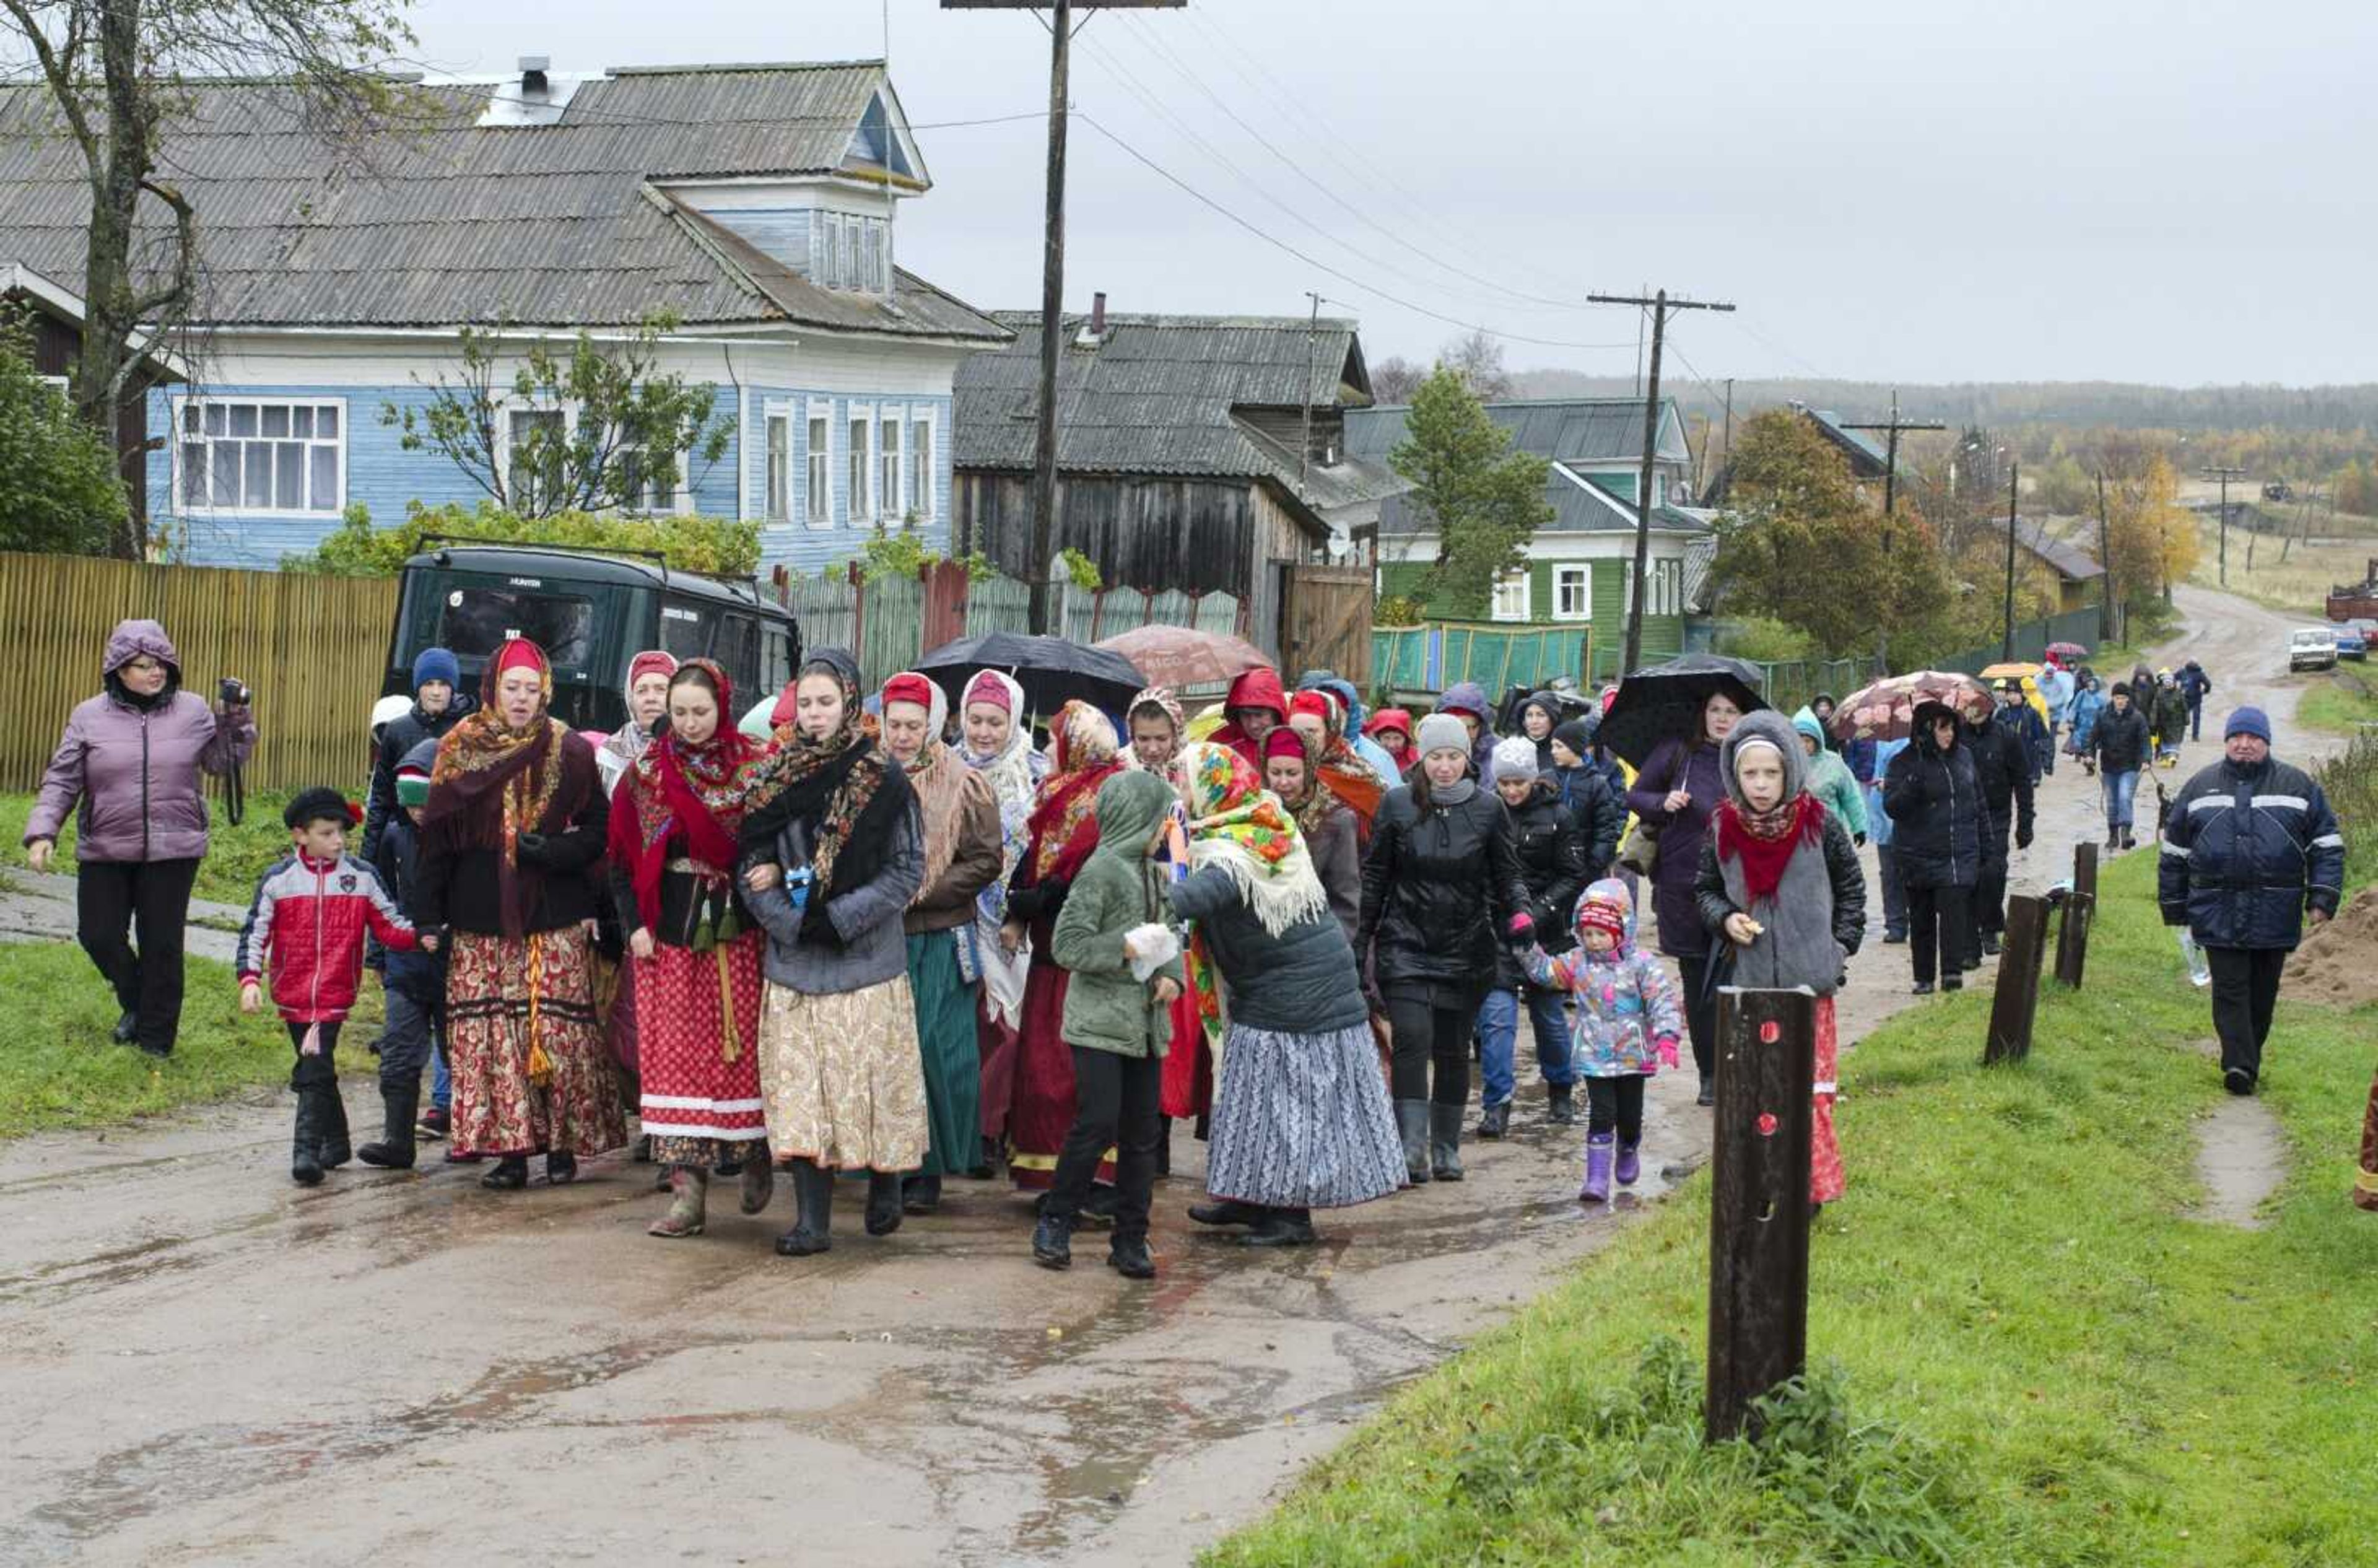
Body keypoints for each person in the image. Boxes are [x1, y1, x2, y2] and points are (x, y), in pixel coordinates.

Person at [1171, 743, 1404, 1247]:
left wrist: (1132, 889)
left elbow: (1191, 897)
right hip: (1278, 991)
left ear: (1214, 788)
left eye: (1185, 781)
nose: (1179, 789)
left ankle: (1289, 1217)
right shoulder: (1257, 823)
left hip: (1299, 998)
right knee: (1249, 1098)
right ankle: (1250, 1199)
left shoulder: (1233, 852)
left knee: (1285, 1106)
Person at [740, 648, 928, 1257]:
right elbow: (748, 866)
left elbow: (906, 871)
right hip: (795, 963)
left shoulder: (883, 778)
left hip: (865, 961)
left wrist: (838, 919)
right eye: (808, 704)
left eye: (828, 702)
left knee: (870, 1085)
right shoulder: (774, 779)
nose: (816, 714)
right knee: (802, 1094)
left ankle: (886, 1183)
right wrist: (793, 923)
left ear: (851, 701)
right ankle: (812, 1222)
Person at [417, 637, 621, 1190]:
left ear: (547, 691)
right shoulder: (459, 747)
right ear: (493, 689)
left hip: (553, 913)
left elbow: (602, 834)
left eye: (533, 690)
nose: (523, 699)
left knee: (555, 1036)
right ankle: (509, 1152)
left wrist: (552, 852)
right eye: (513, 688)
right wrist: (428, 918)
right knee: (496, 1038)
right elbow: (436, 840)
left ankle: (563, 1146)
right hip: (480, 917)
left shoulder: (570, 749)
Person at [24, 619, 256, 1058]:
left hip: (174, 847)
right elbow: (62, 778)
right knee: (98, 934)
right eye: (144, 665)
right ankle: (136, 1003)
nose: (156, 672)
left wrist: (236, 719)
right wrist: (42, 832)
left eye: (162, 664)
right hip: (106, 846)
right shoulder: (89, 715)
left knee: (162, 945)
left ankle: (155, 1042)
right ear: (119, 670)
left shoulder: (192, 710)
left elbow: (221, 763)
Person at [605, 659, 773, 1239]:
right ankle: (688, 1193)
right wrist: (634, 925)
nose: (690, 722)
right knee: (675, 1060)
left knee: (739, 1051)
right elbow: (622, 862)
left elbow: (776, 840)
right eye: (680, 713)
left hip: (738, 934)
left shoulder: (754, 767)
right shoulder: (647, 772)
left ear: (723, 707)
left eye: (701, 712)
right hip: (670, 937)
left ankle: (754, 1155)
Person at [1694, 710, 1864, 1208]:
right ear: (1735, 775)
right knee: (1760, 1090)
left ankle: (1807, 1191)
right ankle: (1764, 1182)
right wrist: (1725, 918)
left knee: (1810, 1092)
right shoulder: (1723, 828)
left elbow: (1852, 891)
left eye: (1772, 773)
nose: (1762, 784)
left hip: (1810, 985)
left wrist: (1837, 950)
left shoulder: (1820, 824)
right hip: (1750, 984)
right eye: (1751, 774)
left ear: (1790, 769)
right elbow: (1704, 890)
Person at [1356, 712, 1529, 1183]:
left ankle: (1446, 1147)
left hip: (1466, 947)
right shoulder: (1396, 805)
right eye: (1436, 757)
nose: (1445, 767)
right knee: (1412, 1039)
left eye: (1454, 757)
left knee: (1453, 1049)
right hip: (1405, 942)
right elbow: (1375, 877)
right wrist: (1361, 941)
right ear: (1422, 759)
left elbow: (1507, 873)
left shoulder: (1489, 810)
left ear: (1467, 758)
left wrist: (1520, 914)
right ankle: (1410, 1150)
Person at [1031, 770, 1183, 1279]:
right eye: (1161, 819)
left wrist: (1171, 979)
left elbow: (1168, 936)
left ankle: (1131, 1237)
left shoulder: (1153, 872)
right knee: (1097, 1122)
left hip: (1143, 1023)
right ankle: (1056, 1220)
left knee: (1142, 1133)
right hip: (1099, 1022)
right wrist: (1122, 946)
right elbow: (1068, 946)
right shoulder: (1100, 872)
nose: (1167, 830)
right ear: (1136, 819)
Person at [237, 788, 422, 1185]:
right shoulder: (279, 880)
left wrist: (422, 935)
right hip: (293, 992)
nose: (337, 841)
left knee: (314, 1064)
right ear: (300, 835)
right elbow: (255, 932)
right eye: (327, 833)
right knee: (317, 1067)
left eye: (341, 833)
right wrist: (250, 979)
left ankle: (305, 1152)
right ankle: (336, 1143)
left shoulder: (361, 877)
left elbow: (389, 924)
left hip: (335, 993)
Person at [2158, 707, 2344, 1097]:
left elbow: (2326, 846)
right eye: (2236, 738)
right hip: (2216, 907)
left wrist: (2323, 898)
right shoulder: (2200, 787)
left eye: (2253, 738)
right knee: (2229, 988)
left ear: (2266, 743)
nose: (2244, 745)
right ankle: (2238, 1065)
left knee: (2262, 992)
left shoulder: (2298, 787)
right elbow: (2174, 852)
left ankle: (2248, 1059)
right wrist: (2175, 908)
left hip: (2276, 910)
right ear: (2226, 742)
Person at [881, 671, 1004, 1216]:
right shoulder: (869, 777)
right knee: (889, 1054)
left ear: (934, 724)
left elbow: (985, 859)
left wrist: (921, 891)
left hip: (938, 935)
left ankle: (930, 1167)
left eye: (914, 725)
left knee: (937, 1051)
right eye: (895, 725)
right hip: (881, 938)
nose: (904, 735)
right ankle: (890, 1162)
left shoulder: (964, 782)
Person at [999, 701, 1128, 1191]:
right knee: (1043, 1070)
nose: (1050, 748)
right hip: (1050, 954)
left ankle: (1092, 1177)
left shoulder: (1107, 796)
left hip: (1085, 959)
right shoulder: (1055, 792)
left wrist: (1046, 895)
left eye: (1057, 740)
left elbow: (1085, 868)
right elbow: (1035, 859)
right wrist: (1019, 907)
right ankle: (1049, 1172)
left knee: (1076, 1073)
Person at [1517, 879, 1682, 1203]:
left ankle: (1628, 1147)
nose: (1594, 941)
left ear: (1621, 931)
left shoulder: (1641, 965)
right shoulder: (1578, 962)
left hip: (1634, 1054)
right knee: (1602, 1114)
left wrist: (1667, 1036)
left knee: (1630, 1117)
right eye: (1588, 934)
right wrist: (1526, 944)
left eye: (1601, 934)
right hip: (1595, 1055)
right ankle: (1596, 1179)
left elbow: (1662, 999)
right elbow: (1546, 973)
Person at [1626, 688, 1743, 1105]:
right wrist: (1664, 801)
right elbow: (1635, 795)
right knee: (1698, 986)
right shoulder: (1677, 751)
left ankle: (1734, 1069)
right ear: (1702, 713)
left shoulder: (1749, 756)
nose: (1722, 718)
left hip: (1737, 884)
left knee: (1734, 981)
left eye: (1731, 711)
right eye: (1714, 709)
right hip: (1682, 883)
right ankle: (1709, 1075)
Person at [957, 669, 1049, 1171]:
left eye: (996, 721)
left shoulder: (1034, 775)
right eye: (976, 720)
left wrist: (1018, 914)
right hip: (957, 917)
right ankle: (972, 1131)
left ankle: (1001, 1130)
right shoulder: (948, 767)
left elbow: (1040, 852)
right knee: (972, 1030)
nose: (985, 732)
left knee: (1012, 1029)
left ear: (1013, 721)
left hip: (1014, 926)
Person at [1475, 736, 1587, 1136]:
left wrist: (1536, 914)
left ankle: (1560, 1086)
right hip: (1498, 934)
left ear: (1532, 779)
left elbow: (1573, 874)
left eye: (1518, 782)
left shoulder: (1559, 816)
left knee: (1550, 1019)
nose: (1511, 790)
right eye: (1504, 783)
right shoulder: (1485, 813)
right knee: (1497, 1022)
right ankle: (1497, 1104)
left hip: (1547, 936)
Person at [366, 741, 453, 1169]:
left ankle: (473, 1134)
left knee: (461, 1052)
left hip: (454, 963)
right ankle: (397, 1139)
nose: (420, 813)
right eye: (413, 805)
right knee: (399, 1050)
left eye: (428, 804)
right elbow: (381, 898)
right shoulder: (395, 837)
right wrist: (378, 956)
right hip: (404, 961)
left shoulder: (463, 840)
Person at [1884, 701, 1990, 995]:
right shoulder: (1903, 762)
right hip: (1917, 853)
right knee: (1922, 918)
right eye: (1943, 728)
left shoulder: (1964, 757)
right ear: (1927, 730)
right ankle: (1924, 976)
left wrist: (1986, 843)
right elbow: (1893, 807)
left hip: (1957, 852)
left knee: (1955, 912)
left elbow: (1978, 801)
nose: (1950, 734)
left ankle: (1952, 972)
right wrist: (1914, 781)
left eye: (1952, 727)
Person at [363, 647, 469, 868]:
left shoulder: (470, 728)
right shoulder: (397, 731)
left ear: (453, 687)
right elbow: (381, 799)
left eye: (443, 684)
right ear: (418, 688)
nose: (436, 692)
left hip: (457, 843)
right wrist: (368, 861)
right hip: (407, 842)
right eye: (429, 684)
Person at [1266, 726, 1360, 944]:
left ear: (1309, 770)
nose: (1283, 783)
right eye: (1275, 773)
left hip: (1317, 942)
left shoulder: (1336, 819)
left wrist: (1334, 949)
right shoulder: (1256, 813)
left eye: (1292, 773)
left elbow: (1345, 895)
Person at [1972, 685, 2039, 958]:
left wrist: (2026, 821)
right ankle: (1969, 931)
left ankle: (1990, 927)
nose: (1974, 712)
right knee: (1970, 875)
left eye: (1980, 706)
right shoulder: (1956, 737)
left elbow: (2022, 781)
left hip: (1997, 815)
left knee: (1994, 871)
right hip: (1965, 817)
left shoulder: (2006, 737)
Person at [1286, 689, 1388, 842]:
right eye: (1295, 731)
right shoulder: (1278, 770)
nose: (1303, 739)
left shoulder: (1359, 774)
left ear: (1330, 732)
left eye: (1312, 731)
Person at [1547, 718, 1627, 876]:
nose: (1553, 751)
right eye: (1553, 746)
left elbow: (1610, 822)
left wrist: (1597, 862)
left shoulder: (1604, 778)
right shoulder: (1549, 776)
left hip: (1585, 863)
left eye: (1559, 746)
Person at [595, 650, 679, 796]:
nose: (651, 698)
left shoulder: (695, 749)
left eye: (661, 689)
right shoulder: (610, 754)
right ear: (631, 699)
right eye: (642, 691)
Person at [1296, 670, 1402, 780]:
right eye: (1325, 713)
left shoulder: (1377, 759)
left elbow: (1393, 796)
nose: (1332, 720)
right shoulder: (1296, 750)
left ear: (1350, 715)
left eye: (1339, 713)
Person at [1790, 707, 1870, 844]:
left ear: (1817, 739)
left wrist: (1859, 827)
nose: (1803, 745)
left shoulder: (1833, 762)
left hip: (1830, 833)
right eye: (1799, 740)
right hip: (1797, 836)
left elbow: (1851, 796)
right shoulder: (1786, 763)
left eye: (1808, 740)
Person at [2093, 681, 2152, 851]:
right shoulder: (2102, 715)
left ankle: (2125, 835)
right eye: (2118, 698)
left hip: (2130, 766)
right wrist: (2088, 755)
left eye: (2124, 698)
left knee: (2125, 797)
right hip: (2109, 766)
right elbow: (2092, 738)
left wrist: (2147, 759)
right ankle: (2113, 837)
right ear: (2113, 698)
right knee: (2112, 802)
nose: (2120, 701)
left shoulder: (2137, 717)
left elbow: (2145, 741)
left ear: (2128, 699)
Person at [1866, 735, 1910, 943]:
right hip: (1883, 814)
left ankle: (1915, 919)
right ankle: (1895, 923)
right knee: (1890, 873)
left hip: (1910, 818)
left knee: (1911, 871)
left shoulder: (1917, 741)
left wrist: (1893, 783)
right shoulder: (1878, 741)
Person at [1212, 667, 1290, 776]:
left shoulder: (1293, 743)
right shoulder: (1219, 745)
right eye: (1245, 715)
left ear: (1276, 712)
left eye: (1259, 715)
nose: (1253, 725)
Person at [1434, 681, 1499, 781]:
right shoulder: (1431, 752)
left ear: (1481, 726)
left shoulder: (1500, 754)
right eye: (1456, 728)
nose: (1464, 734)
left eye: (1470, 726)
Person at [1996, 677, 2052, 787]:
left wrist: (2046, 759)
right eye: (2010, 694)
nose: (2013, 697)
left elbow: (2042, 737)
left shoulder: (2032, 713)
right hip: (2009, 755)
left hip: (2029, 755)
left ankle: (2034, 777)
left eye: (2016, 693)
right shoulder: (2002, 713)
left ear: (2022, 694)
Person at [1512, 690, 1564, 772]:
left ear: (1553, 720)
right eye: (1529, 715)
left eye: (1541, 715)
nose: (1534, 721)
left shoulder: (1564, 753)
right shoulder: (1511, 747)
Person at [2066, 671, 2106, 777]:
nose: (2091, 686)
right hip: (2081, 726)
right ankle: (2087, 761)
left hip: (2094, 727)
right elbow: (2074, 707)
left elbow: (2105, 712)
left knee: (2091, 747)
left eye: (2094, 684)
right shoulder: (2082, 694)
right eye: (2090, 683)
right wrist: (2071, 720)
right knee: (2081, 747)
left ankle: (2090, 767)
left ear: (2097, 685)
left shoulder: (2101, 698)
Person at [1362, 707, 1416, 777]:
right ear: (1378, 738)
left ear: (1406, 739)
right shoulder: (1366, 758)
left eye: (1397, 738)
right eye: (1386, 738)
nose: (1391, 745)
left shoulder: (1415, 760)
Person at [2153, 671, 2190, 768]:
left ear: (2174, 683)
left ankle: (2173, 756)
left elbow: (2184, 707)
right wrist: (2153, 720)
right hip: (2163, 723)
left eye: (2170, 682)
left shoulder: (2179, 693)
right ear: (2164, 683)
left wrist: (2186, 718)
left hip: (2177, 723)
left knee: (2175, 741)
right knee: (2164, 741)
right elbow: (2155, 708)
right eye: (2166, 682)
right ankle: (2166, 757)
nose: (2168, 685)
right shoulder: (2159, 694)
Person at [2178, 659, 2215, 742]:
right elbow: (2208, 684)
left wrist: (2175, 691)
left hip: (2184, 698)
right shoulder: (2200, 674)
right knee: (2196, 719)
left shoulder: (2182, 672)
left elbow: (2172, 678)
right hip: (2196, 699)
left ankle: (2180, 736)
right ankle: (2195, 737)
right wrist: (2205, 691)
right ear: (2197, 665)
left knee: (2182, 718)